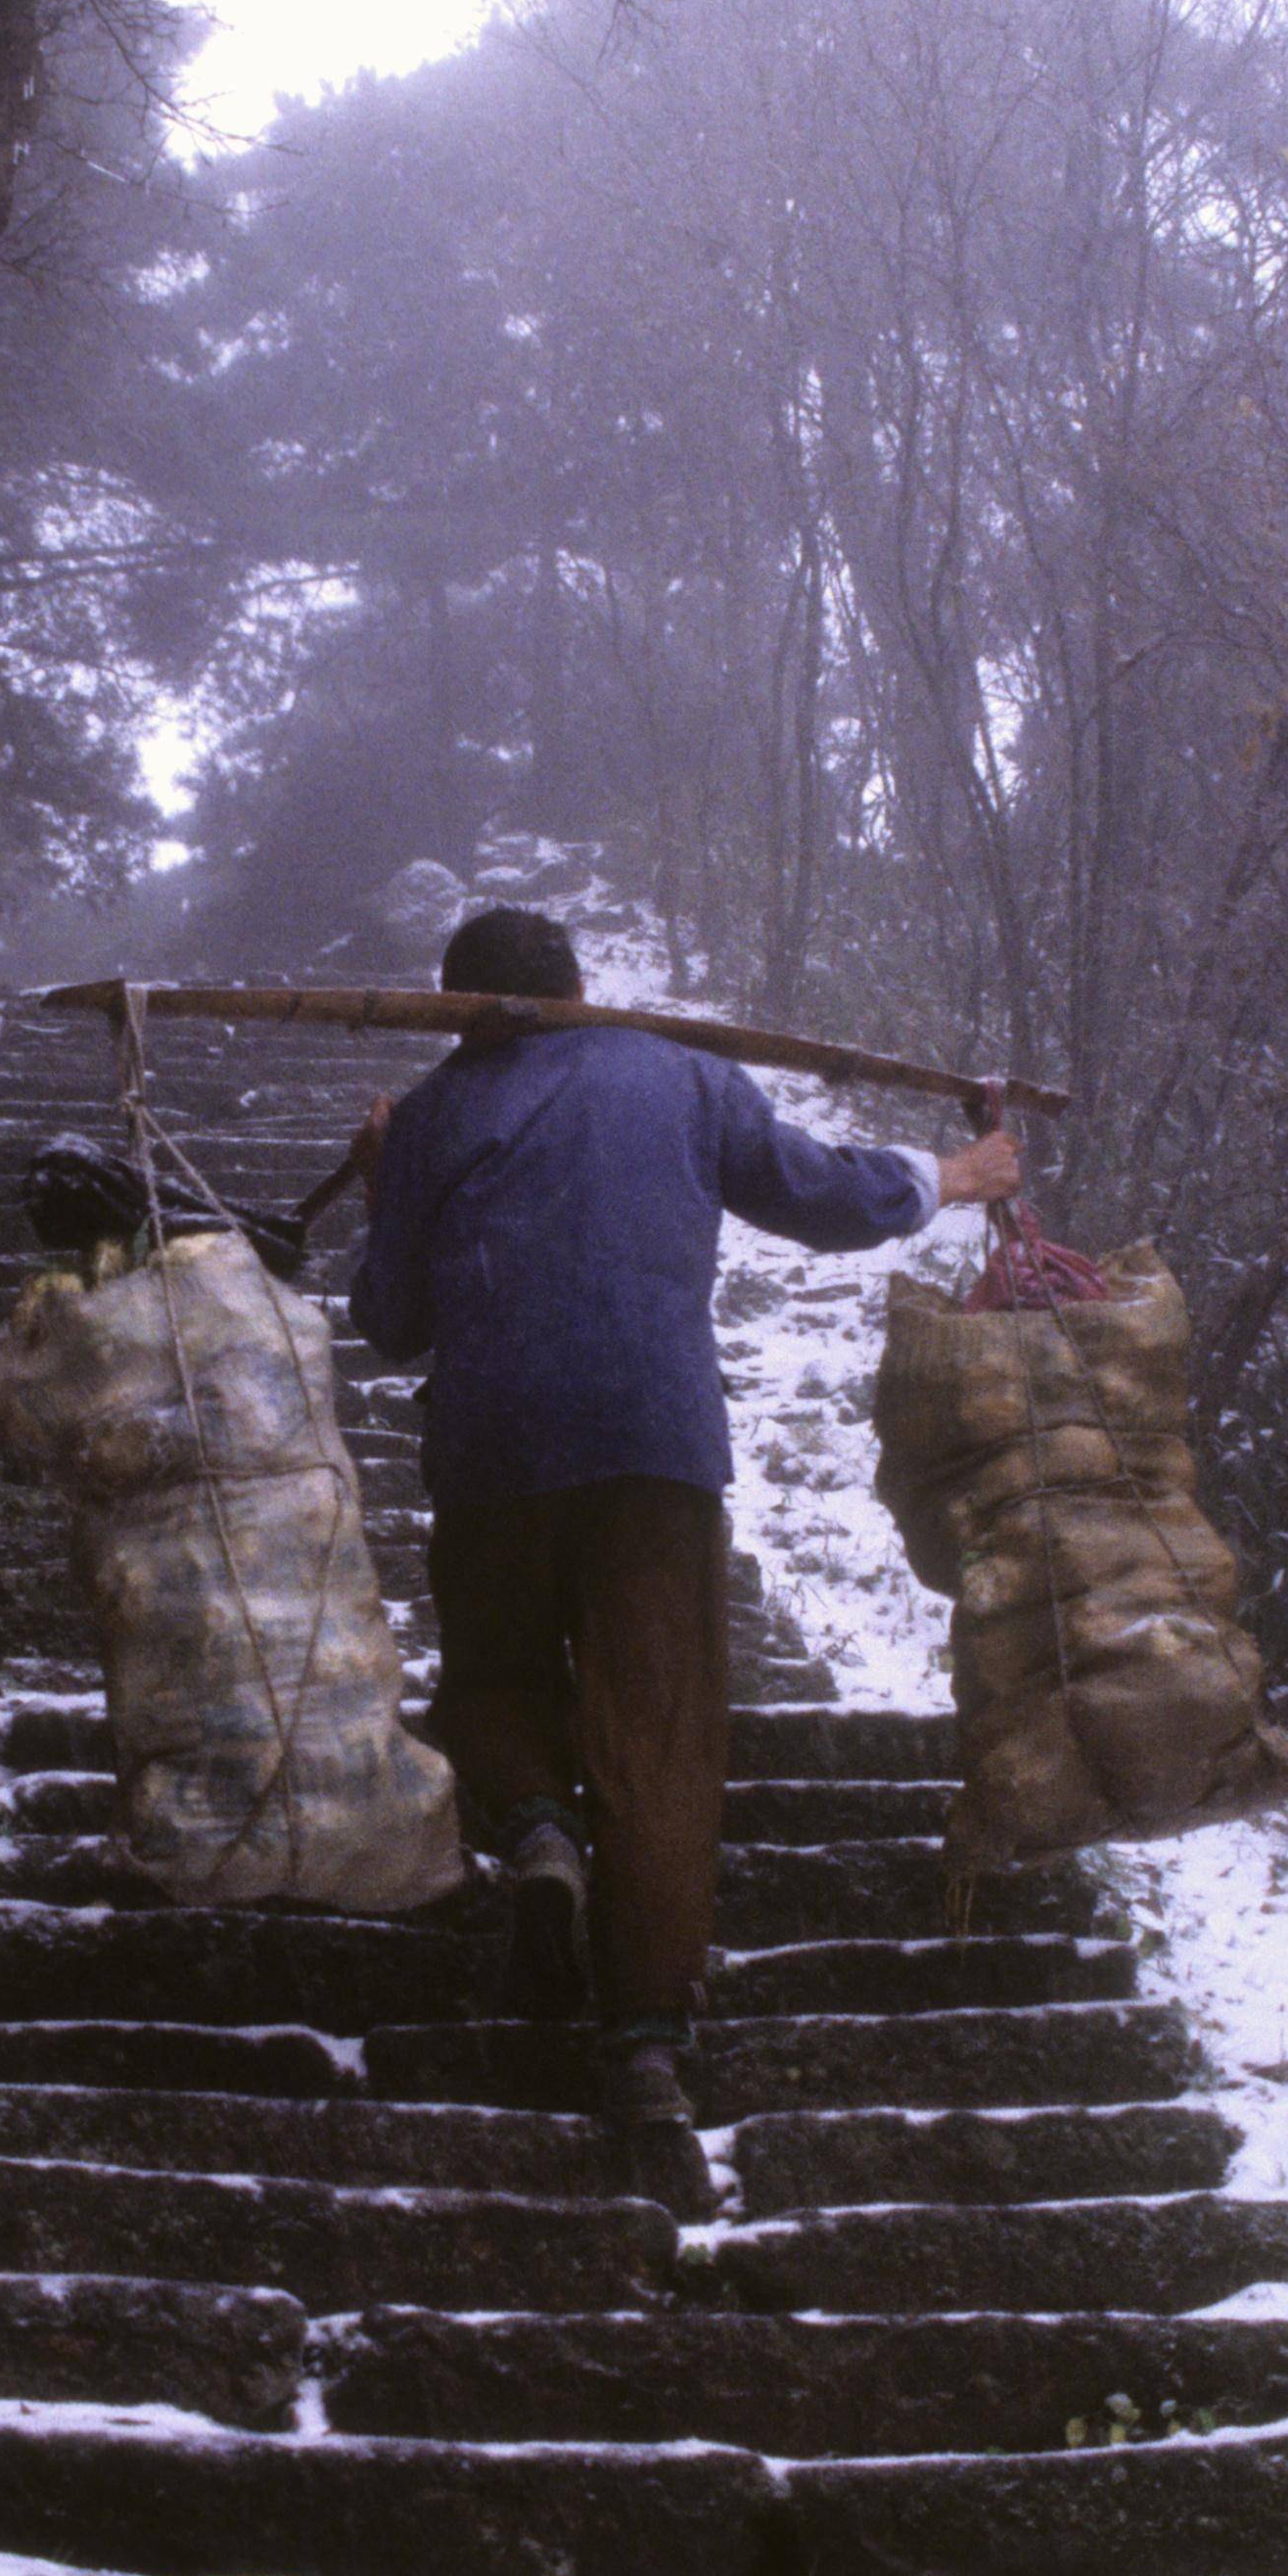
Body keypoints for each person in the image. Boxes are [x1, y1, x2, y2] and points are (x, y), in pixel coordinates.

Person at [346, 905, 1023, 2127]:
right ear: (578, 983)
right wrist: (951, 1178)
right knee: (658, 1723)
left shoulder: (438, 1110)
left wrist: (391, 1178)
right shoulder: (679, 1072)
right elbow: (813, 1194)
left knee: (492, 1680)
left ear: (459, 1010)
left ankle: (543, 1824)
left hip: (493, 1444)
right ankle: (646, 2042)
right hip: (652, 1440)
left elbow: (391, 1321)